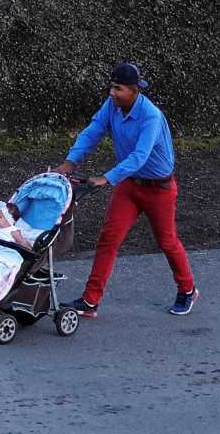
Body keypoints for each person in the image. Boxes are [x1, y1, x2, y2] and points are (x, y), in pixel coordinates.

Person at [56, 62, 198, 318]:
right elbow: (93, 132)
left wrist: (106, 178)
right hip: (130, 186)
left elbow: (140, 156)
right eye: (111, 87)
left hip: (159, 189)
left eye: (118, 88)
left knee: (167, 241)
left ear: (134, 90)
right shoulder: (112, 106)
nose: (112, 93)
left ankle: (187, 290)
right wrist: (69, 162)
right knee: (108, 239)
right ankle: (90, 301)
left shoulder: (150, 116)